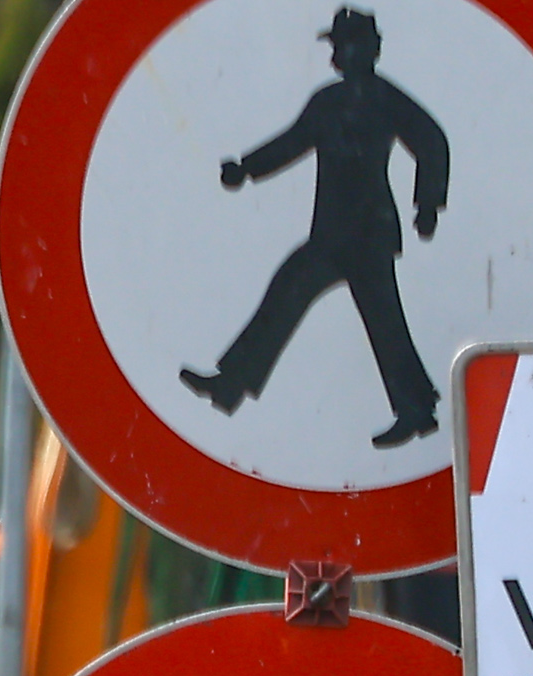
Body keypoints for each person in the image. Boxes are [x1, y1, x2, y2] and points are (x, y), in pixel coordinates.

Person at [180, 7, 449, 448]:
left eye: (344, 46)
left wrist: (428, 206)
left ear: (368, 50)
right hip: (332, 232)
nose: (337, 55)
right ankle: (230, 384)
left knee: (384, 323)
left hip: (370, 232)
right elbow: (293, 141)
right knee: (290, 290)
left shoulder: (384, 98)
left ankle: (417, 410)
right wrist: (247, 168)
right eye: (336, 47)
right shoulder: (327, 102)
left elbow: (432, 141)